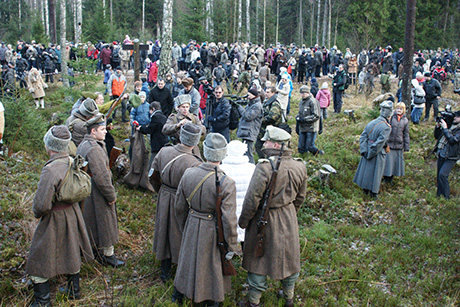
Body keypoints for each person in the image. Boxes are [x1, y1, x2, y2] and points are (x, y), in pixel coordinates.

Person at [238, 126, 308, 307]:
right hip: (289, 215)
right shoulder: (300, 166)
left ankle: (254, 302)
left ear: (276, 145)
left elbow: (252, 200)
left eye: (266, 141)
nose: (263, 143)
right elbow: (300, 198)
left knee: (258, 260)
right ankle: (289, 297)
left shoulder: (264, 167)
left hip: (264, 218)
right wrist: (290, 213)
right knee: (290, 258)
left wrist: (244, 221)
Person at [26, 126, 93, 306]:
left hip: (54, 216)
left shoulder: (51, 169)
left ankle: (43, 301)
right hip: (73, 213)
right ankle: (74, 290)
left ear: (50, 146)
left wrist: (38, 213)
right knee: (71, 249)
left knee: (39, 256)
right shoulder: (72, 161)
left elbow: (41, 204)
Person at [173, 133, 238, 306]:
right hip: (213, 229)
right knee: (212, 266)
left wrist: (185, 226)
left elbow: (179, 207)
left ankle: (182, 291)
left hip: (192, 222)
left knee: (188, 259)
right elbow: (229, 220)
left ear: (204, 151)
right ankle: (211, 296)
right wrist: (231, 245)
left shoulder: (189, 173)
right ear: (223, 154)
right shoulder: (227, 182)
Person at [150, 123, 203, 284]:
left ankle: (164, 270)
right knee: (180, 233)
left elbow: (152, 175)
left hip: (164, 194)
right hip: (184, 201)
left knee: (164, 230)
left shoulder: (164, 151)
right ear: (195, 142)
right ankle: (180, 268)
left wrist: (161, 190)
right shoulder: (195, 162)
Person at [76, 114, 124, 267]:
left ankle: (95, 249)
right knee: (105, 221)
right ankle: (107, 254)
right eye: (102, 129)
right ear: (93, 131)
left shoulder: (85, 144)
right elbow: (102, 176)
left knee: (92, 220)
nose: (105, 132)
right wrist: (111, 195)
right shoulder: (94, 149)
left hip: (87, 189)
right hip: (97, 191)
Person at [353, 101, 393, 198]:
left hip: (367, 150)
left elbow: (363, 137)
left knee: (366, 171)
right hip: (376, 153)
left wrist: (364, 150)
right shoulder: (386, 127)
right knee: (376, 173)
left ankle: (365, 190)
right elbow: (379, 143)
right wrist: (370, 153)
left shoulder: (372, 122)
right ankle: (373, 193)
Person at [220, 140, 256, 246]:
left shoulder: (222, 169)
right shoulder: (252, 168)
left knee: (227, 236)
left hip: (228, 209)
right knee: (246, 238)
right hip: (246, 210)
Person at [434, 111, 460, 198]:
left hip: (452, 156)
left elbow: (452, 140)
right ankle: (439, 195)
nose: (455, 118)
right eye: (454, 116)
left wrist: (445, 129)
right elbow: (437, 136)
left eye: (457, 117)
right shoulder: (449, 125)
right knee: (439, 176)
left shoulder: (458, 130)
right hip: (442, 153)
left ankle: (446, 197)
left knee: (443, 174)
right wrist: (438, 127)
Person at [383, 102, 410, 184]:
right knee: (388, 164)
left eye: (401, 109)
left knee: (395, 164)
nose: (399, 110)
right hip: (389, 145)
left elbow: (406, 134)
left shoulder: (405, 121)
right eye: (397, 108)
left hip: (399, 145)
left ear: (403, 110)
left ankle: (391, 179)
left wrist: (406, 146)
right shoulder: (391, 118)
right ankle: (386, 178)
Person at [136, 101, 168, 166]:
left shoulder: (155, 117)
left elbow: (150, 129)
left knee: (152, 164)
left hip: (157, 144)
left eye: (150, 110)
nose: (149, 112)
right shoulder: (164, 117)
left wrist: (141, 128)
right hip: (164, 142)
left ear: (153, 109)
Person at [237, 87, 263, 164]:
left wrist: (240, 108)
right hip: (246, 131)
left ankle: (251, 168)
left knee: (248, 153)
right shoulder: (251, 104)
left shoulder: (257, 106)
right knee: (245, 152)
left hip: (250, 132)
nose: (247, 97)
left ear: (253, 95)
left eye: (249, 95)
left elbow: (248, 117)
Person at [255, 86, 282, 159]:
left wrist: (261, 119)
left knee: (269, 148)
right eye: (265, 92)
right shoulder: (267, 102)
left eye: (268, 92)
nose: (266, 94)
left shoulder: (275, 103)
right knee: (258, 146)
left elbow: (273, 117)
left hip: (270, 131)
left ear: (273, 93)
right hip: (263, 129)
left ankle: (268, 161)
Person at [296, 85, 323, 156]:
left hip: (311, 128)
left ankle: (320, 154)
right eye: (301, 93)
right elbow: (300, 113)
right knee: (301, 147)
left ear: (308, 93)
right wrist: (298, 118)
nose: (302, 95)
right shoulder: (301, 102)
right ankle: (303, 158)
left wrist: (304, 119)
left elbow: (316, 116)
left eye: (304, 93)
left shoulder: (313, 102)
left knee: (310, 146)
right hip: (302, 128)